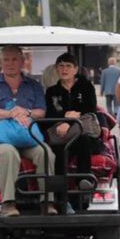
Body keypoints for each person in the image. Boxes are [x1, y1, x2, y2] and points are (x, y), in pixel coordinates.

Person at [0, 44, 54, 217]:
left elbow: (41, 111)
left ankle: (48, 202)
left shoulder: (33, 85)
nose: (10, 63)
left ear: (22, 61)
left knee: (46, 153)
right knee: (9, 153)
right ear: (1, 62)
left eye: (14, 59)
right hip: (0, 139)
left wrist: (27, 112)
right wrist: (11, 113)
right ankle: (8, 203)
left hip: (27, 137)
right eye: (6, 59)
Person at [44, 52, 100, 184]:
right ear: (56, 69)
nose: (64, 69)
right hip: (62, 135)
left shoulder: (86, 86)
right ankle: (59, 195)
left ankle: (84, 182)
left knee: (83, 141)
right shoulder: (52, 91)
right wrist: (65, 117)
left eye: (68, 66)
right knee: (58, 151)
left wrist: (69, 121)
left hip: (83, 132)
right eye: (61, 66)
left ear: (75, 69)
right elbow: (50, 113)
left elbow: (89, 108)